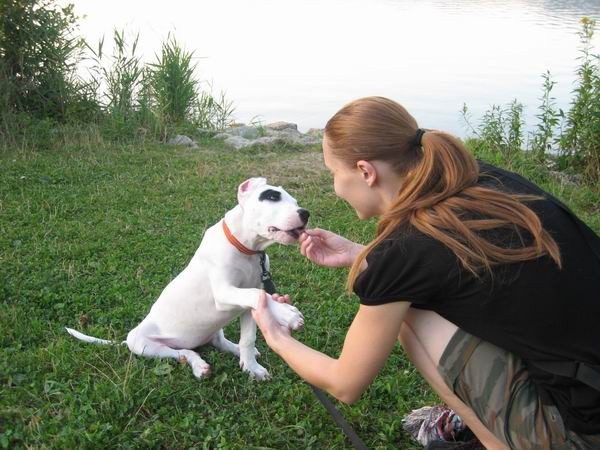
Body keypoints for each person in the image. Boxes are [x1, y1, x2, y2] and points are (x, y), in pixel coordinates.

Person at [251, 97, 600, 449]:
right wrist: (361, 254)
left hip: (580, 432)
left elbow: (346, 383)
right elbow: (444, 265)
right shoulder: (473, 177)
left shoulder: (405, 250)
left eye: (333, 173)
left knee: (409, 314)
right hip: (587, 384)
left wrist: (275, 335)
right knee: (412, 299)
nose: (335, 187)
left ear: (365, 172)